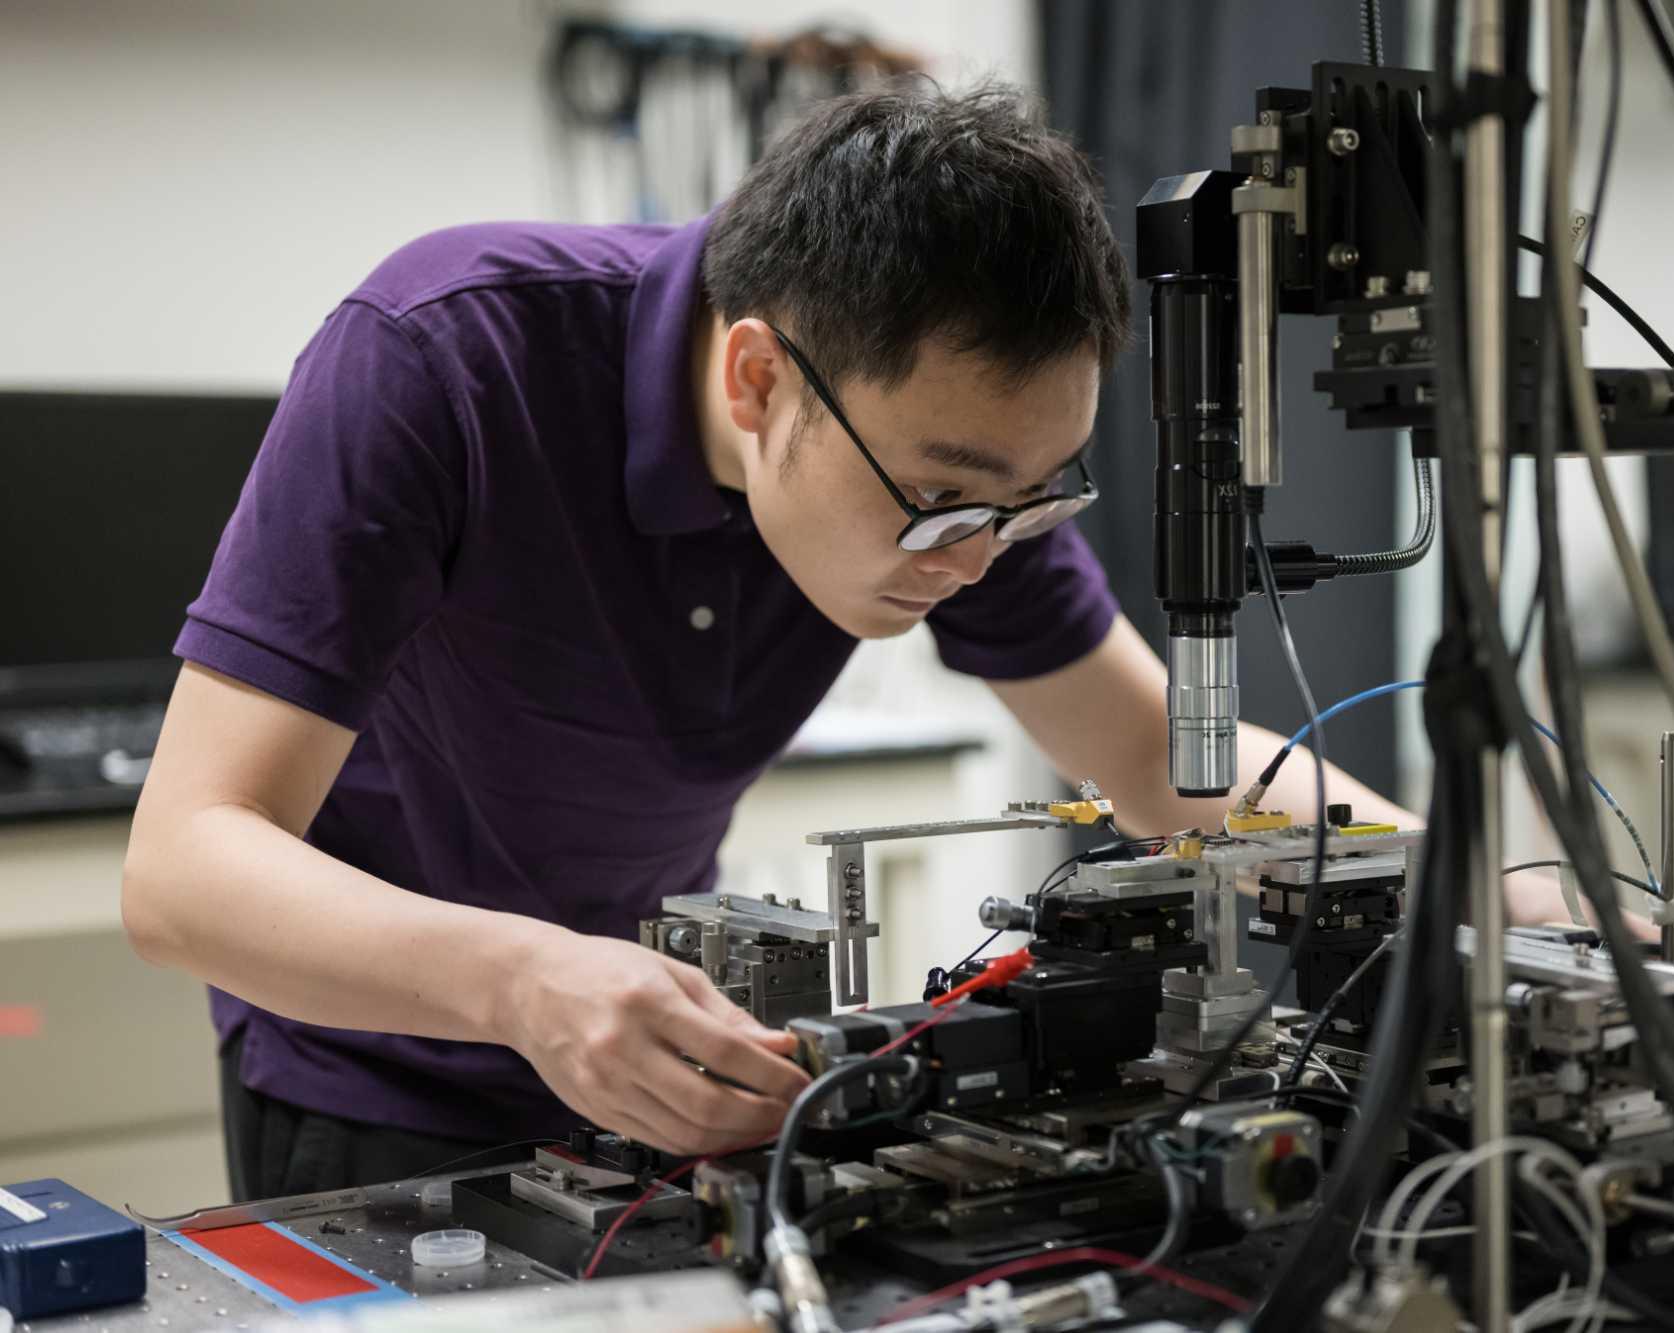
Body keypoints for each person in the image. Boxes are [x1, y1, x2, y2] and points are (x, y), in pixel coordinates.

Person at [121, 81, 1580, 1201]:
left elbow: (1149, 750)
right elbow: (187, 864)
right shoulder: (444, 359)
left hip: (669, 1057)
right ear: (759, 380)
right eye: (944, 501)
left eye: (1028, 502)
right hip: (376, 1084)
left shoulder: (956, 475)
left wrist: (1472, 883)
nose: (977, 552)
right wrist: (522, 981)